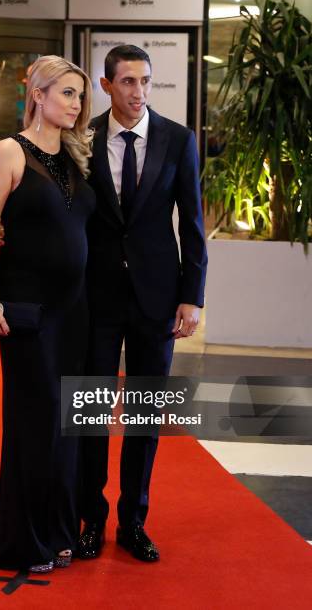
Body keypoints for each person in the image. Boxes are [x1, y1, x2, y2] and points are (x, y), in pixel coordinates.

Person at [0, 55, 95, 573]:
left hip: (75, 310)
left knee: (65, 424)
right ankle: (26, 535)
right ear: (38, 94)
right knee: (35, 420)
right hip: (26, 309)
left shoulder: (77, 156)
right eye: (67, 94)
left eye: (80, 96)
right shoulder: (9, 152)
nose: (77, 106)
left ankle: (58, 530)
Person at [77, 45, 208, 562]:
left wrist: (191, 298)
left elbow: (193, 226)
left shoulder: (179, 139)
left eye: (146, 81)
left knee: (146, 417)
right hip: (96, 296)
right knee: (87, 415)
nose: (138, 92)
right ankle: (91, 519)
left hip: (158, 298)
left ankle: (134, 522)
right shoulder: (81, 140)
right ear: (106, 86)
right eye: (127, 82)